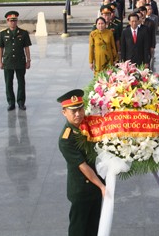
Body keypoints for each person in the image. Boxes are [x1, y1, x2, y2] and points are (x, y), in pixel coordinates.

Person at [57, 89, 105, 236]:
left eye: (80, 109)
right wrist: (102, 186)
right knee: (79, 229)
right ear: (64, 112)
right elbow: (83, 167)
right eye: (73, 111)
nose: (78, 114)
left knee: (93, 227)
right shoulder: (66, 139)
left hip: (95, 188)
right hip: (81, 191)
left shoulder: (89, 125)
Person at [0, 11, 32, 111]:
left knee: (21, 82)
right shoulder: (3, 33)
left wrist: (28, 60)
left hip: (20, 61)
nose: (13, 23)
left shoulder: (23, 33)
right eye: (11, 21)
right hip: (8, 62)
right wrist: (0, 61)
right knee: (8, 83)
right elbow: (0, 48)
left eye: (15, 21)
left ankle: (21, 102)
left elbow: (26, 48)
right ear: (7, 21)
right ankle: (11, 102)